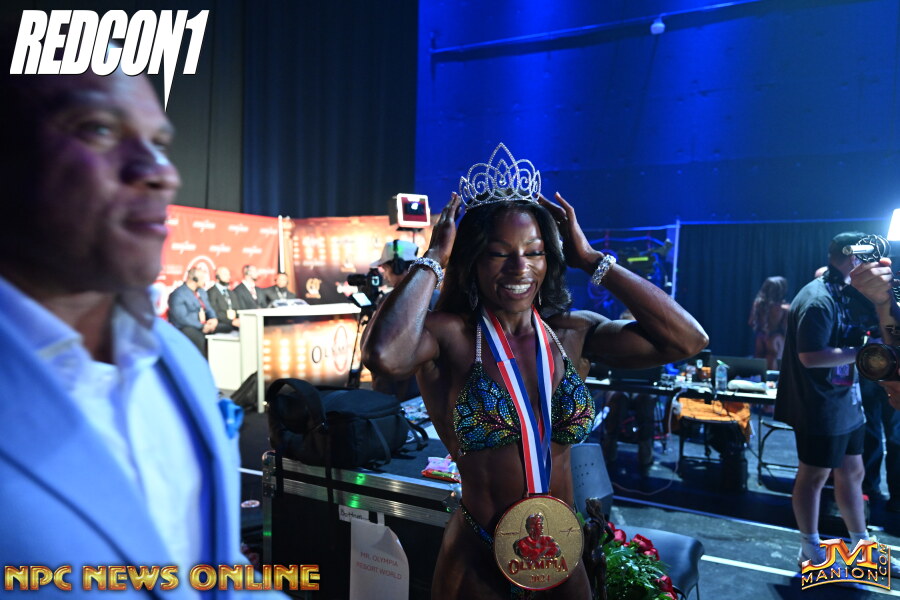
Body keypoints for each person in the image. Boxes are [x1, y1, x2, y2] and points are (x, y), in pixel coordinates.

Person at [362, 143, 707, 599]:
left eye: (535, 251)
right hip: (478, 556)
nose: (519, 267)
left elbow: (688, 340)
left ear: (551, 257)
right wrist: (435, 258)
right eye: (498, 253)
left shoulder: (572, 334)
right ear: (473, 260)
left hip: (559, 552)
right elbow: (384, 355)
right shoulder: (450, 336)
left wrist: (592, 260)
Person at [0, 37, 255, 585]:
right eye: (99, 129)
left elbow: (214, 574)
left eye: (159, 142)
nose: (161, 171)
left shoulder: (180, 365)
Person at [774, 232, 890, 571]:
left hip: (844, 402)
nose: (872, 266)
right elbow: (810, 357)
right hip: (819, 406)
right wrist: (865, 353)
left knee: (853, 472)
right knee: (813, 476)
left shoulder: (838, 290)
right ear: (850, 257)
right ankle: (809, 548)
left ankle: (862, 544)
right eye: (866, 258)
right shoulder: (817, 300)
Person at [168, 267, 219, 355]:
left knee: (225, 328)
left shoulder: (202, 292)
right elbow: (182, 318)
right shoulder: (178, 294)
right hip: (186, 327)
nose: (205, 281)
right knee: (198, 337)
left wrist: (214, 319)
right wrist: (201, 326)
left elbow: (209, 308)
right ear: (194, 279)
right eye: (202, 278)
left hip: (204, 324)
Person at [748, 276, 790, 370]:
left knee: (759, 368)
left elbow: (751, 322)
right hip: (776, 339)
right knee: (774, 369)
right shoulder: (784, 308)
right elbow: (786, 329)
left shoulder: (758, 305)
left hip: (760, 337)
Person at [207, 266, 241, 332]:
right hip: (222, 324)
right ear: (217, 277)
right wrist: (231, 322)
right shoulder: (211, 293)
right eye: (225, 274)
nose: (229, 277)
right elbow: (214, 312)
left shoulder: (232, 293)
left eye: (229, 274)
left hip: (236, 323)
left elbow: (237, 309)